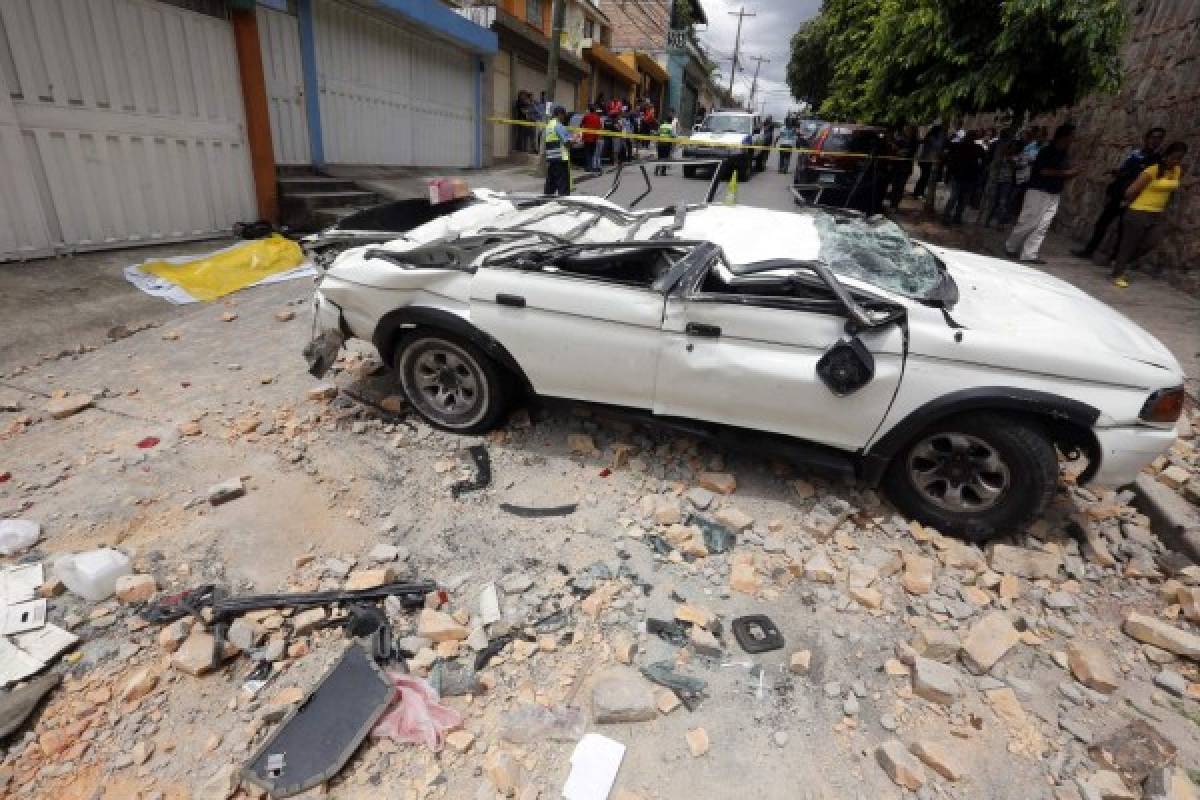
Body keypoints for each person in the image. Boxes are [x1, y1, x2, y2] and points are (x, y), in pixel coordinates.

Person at [1072, 127, 1166, 260]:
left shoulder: (1157, 160)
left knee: (1123, 230)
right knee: (1102, 223)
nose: (1155, 141)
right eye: (1153, 137)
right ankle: (1089, 250)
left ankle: (1113, 258)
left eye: (1159, 138)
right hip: (1119, 193)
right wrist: (1116, 173)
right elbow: (1125, 170)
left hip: (1133, 197)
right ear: (1146, 138)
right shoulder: (1136, 153)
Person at [1109, 141, 1187, 288]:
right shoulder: (1152, 170)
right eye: (1174, 157)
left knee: (1151, 242)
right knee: (1128, 244)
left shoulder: (1176, 171)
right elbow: (1131, 191)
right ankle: (1118, 273)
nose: (1176, 161)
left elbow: (1173, 187)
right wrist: (1129, 205)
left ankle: (1120, 262)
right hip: (1139, 211)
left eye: (1179, 158)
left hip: (1156, 214)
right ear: (1166, 155)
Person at [1005, 123, 1079, 264]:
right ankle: (1011, 246)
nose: (1073, 139)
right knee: (1028, 222)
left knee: (1043, 225)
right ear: (1065, 136)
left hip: (1053, 193)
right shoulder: (1047, 151)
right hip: (1038, 191)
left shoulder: (1064, 154)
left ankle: (1029, 254)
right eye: (1072, 135)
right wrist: (1066, 173)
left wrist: (1070, 174)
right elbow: (1043, 171)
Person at [942, 130, 985, 225]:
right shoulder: (960, 146)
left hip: (966, 176)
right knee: (957, 198)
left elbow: (983, 160)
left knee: (960, 198)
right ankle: (949, 216)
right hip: (961, 176)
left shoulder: (977, 148)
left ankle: (954, 217)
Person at [543, 107, 573, 196]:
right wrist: (574, 141)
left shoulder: (549, 125)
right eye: (564, 115)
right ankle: (564, 203)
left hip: (551, 158)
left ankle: (546, 201)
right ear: (560, 114)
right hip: (561, 158)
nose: (564, 118)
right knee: (563, 184)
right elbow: (566, 142)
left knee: (550, 183)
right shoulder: (558, 125)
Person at [887, 124, 918, 207]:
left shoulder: (913, 141)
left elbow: (906, 153)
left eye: (909, 130)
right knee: (894, 187)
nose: (907, 131)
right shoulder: (900, 139)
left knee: (900, 187)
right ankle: (893, 204)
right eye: (906, 130)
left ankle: (895, 205)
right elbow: (893, 150)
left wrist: (897, 150)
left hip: (905, 168)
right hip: (896, 166)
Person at [913, 124, 944, 198]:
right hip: (926, 160)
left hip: (929, 160)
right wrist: (942, 139)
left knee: (925, 177)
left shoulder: (933, 137)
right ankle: (918, 192)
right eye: (941, 131)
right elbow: (937, 146)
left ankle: (920, 192)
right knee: (924, 177)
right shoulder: (931, 138)